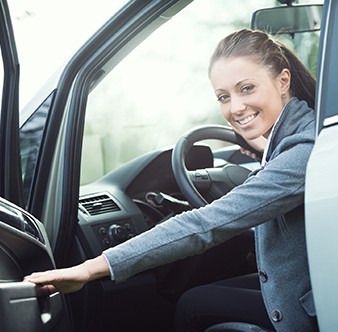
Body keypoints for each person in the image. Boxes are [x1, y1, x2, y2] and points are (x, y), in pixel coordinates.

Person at [24, 29, 318, 332]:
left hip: (310, 308)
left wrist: (88, 270)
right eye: (223, 97)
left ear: (283, 80)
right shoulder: (303, 132)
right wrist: (263, 148)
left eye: (246, 88)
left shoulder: (302, 153)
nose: (235, 108)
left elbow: (205, 224)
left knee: (193, 306)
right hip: (305, 282)